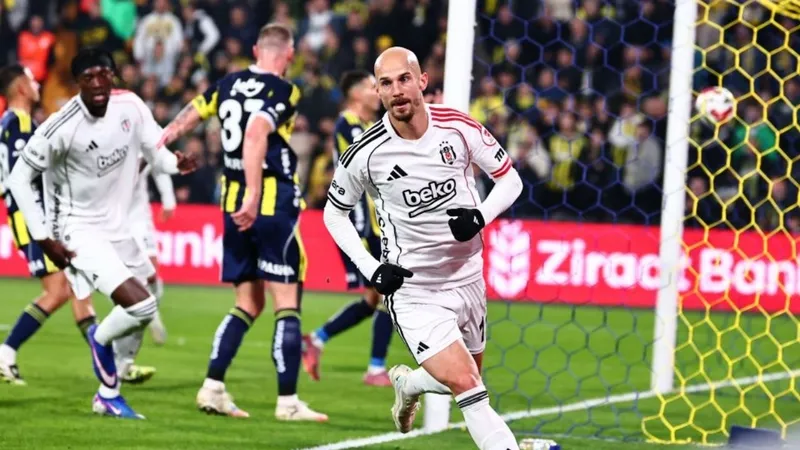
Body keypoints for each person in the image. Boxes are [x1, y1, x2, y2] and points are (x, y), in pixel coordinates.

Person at [323, 47, 523, 449]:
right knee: (468, 384)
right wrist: (371, 268)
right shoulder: (365, 152)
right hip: (414, 289)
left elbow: (510, 180)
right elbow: (333, 214)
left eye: (404, 79)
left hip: (468, 277)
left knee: (464, 378)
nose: (397, 90)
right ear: (378, 92)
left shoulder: (457, 127)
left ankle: (409, 383)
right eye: (386, 83)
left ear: (422, 81)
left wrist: (480, 216)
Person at [6, 48, 195, 418]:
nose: (96, 83)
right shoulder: (61, 127)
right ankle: (100, 340)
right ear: (78, 83)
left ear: (114, 76)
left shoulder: (131, 107)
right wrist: (44, 238)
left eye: (103, 74)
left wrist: (175, 164)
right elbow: (18, 179)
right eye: (88, 78)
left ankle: (109, 390)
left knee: (149, 296)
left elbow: (155, 152)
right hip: (77, 231)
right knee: (141, 305)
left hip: (116, 225)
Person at [158, 23, 327, 421]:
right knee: (286, 302)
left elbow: (187, 117)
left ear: (255, 49)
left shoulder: (228, 84)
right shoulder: (285, 90)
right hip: (267, 202)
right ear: (289, 54)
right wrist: (254, 193)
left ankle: (212, 387)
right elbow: (255, 133)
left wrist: (163, 142)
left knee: (247, 303)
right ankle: (288, 403)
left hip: (231, 203)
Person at [0, 64, 155, 386]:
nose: (37, 85)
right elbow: (22, 177)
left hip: (35, 217)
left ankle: (111, 366)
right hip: (37, 218)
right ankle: (6, 353)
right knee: (58, 292)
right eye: (32, 81)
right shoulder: (21, 123)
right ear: (21, 89)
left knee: (78, 294)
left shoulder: (8, 123)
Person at [301, 70, 394, 387]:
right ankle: (375, 368)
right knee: (387, 293)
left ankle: (316, 339)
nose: (378, 92)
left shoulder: (369, 125)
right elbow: (372, 160)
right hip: (361, 224)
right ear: (355, 94)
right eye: (372, 87)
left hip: (378, 224)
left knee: (373, 300)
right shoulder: (349, 125)